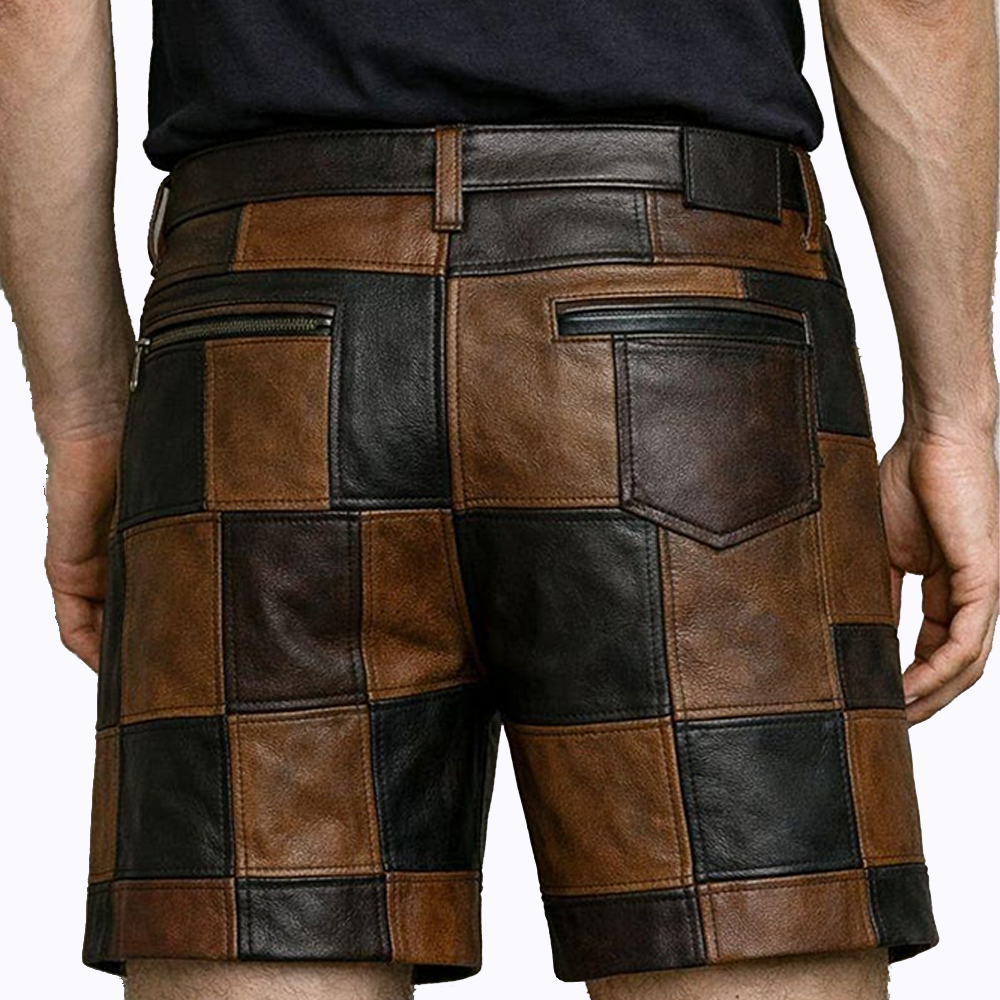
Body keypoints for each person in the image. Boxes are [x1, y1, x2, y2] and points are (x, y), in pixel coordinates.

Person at [1, 1, 997, 998]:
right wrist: (953, 417)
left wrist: (83, 420)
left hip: (263, 342)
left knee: (253, 934)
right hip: (686, 328)